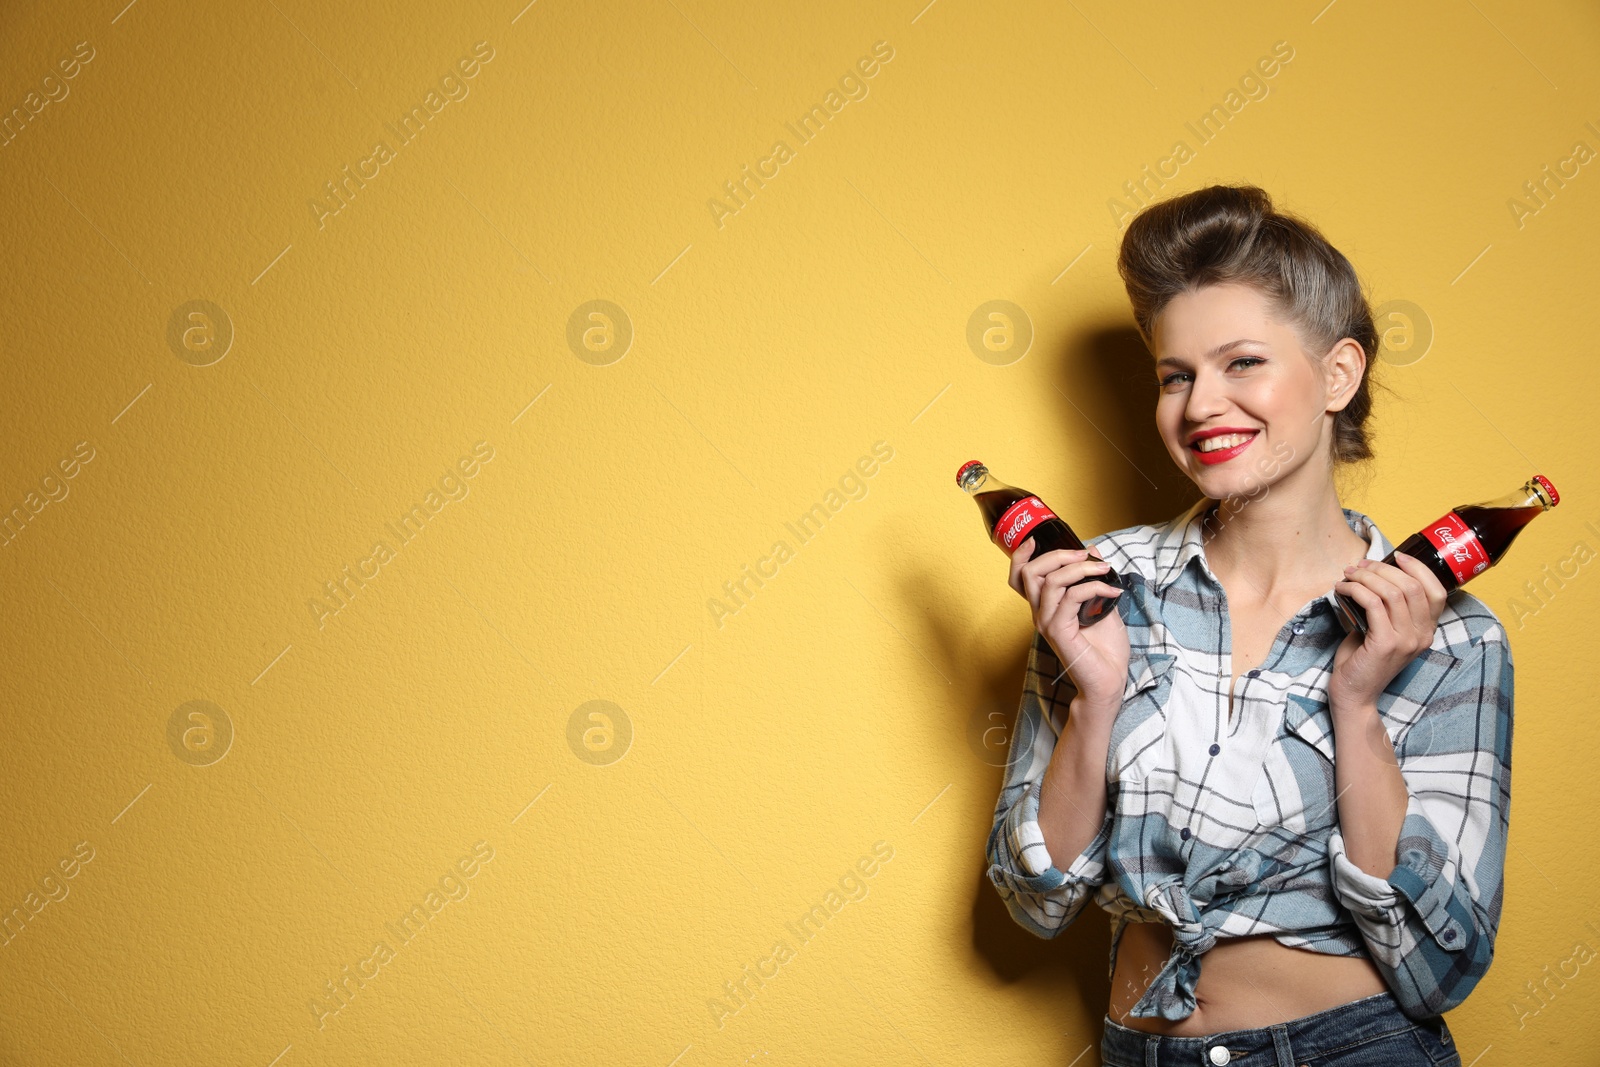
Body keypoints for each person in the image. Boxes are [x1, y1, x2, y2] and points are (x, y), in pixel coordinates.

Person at [985, 185, 1512, 1066]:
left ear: (1338, 375)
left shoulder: (1452, 635)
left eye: (1242, 363)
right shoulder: (1095, 587)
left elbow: (1436, 968)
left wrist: (1357, 703)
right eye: (1175, 375)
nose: (1199, 406)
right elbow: (1035, 902)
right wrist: (1095, 697)